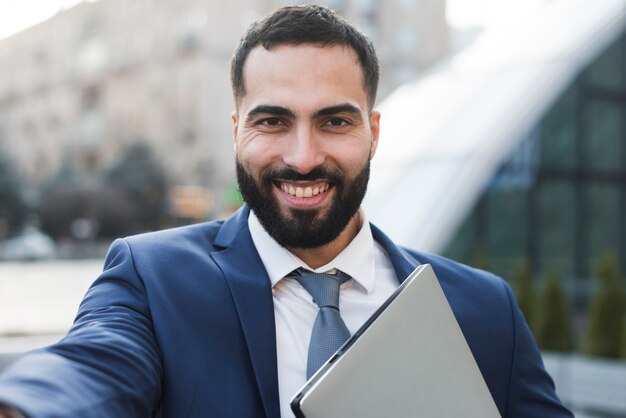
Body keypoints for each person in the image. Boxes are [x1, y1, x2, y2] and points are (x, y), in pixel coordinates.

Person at [0, 5, 572, 418]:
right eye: (273, 121)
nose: (303, 158)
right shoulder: (152, 279)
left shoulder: (483, 308)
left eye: (335, 121)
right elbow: (92, 366)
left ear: (373, 133)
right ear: (237, 132)